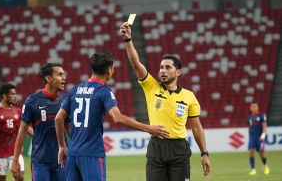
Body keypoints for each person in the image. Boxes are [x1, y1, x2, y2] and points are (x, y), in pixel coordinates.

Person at [55, 52, 169, 181]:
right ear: (109, 69)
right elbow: (117, 118)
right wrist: (147, 128)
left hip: (73, 152)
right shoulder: (104, 91)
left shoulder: (74, 89)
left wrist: (62, 146)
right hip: (92, 153)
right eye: (113, 67)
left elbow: (59, 118)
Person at [120, 22, 211, 181]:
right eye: (161, 67)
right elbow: (136, 63)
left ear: (178, 72)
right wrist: (128, 40)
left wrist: (204, 153)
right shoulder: (151, 86)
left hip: (179, 149)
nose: (162, 70)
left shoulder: (189, 96)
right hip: (157, 148)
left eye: (167, 67)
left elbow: (196, 127)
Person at [11, 63, 69, 181]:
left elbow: (69, 129)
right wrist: (15, 160)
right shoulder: (32, 101)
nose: (64, 78)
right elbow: (22, 131)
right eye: (60, 74)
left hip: (62, 160)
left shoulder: (65, 100)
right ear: (48, 79)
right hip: (40, 161)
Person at [247, 102, 270, 175]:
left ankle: (265, 166)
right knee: (251, 152)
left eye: (255, 106)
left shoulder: (262, 115)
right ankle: (253, 169)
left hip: (260, 138)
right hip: (252, 137)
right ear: (250, 108)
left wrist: (263, 135)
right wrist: (250, 136)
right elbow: (249, 127)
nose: (254, 108)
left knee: (261, 153)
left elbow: (264, 126)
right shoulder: (249, 117)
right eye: (252, 106)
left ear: (258, 107)